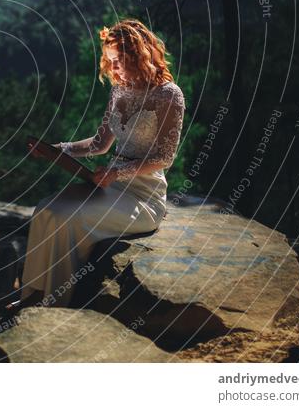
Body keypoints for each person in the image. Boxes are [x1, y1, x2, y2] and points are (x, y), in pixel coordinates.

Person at [14, 18, 186, 312]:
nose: (113, 69)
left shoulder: (169, 95)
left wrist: (119, 172)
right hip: (109, 184)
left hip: (144, 196)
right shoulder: (119, 91)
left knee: (71, 219)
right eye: (109, 62)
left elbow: (165, 158)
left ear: (138, 56)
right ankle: (33, 293)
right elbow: (99, 144)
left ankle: (55, 304)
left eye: (118, 61)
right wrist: (57, 150)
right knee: (46, 208)